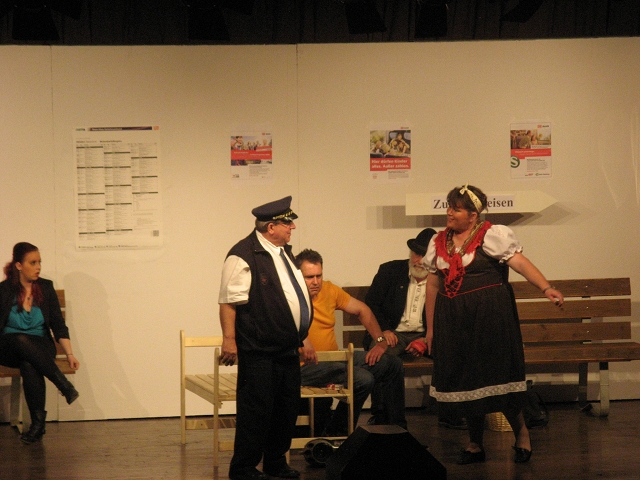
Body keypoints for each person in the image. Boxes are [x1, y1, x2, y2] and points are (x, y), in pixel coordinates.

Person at [410, 184, 564, 465]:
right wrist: (431, 330)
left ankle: (521, 434)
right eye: (449, 207)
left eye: (457, 209)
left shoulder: (492, 235)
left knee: (497, 379)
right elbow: (432, 286)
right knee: (467, 383)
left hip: (489, 318)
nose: (449, 212)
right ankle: (475, 443)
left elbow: (520, 263)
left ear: (473, 215)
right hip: (453, 319)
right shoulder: (438, 243)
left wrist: (546, 287)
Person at [218, 196, 312, 480]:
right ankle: (244, 467)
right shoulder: (243, 254)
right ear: (271, 227)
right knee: (256, 411)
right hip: (259, 350)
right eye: (287, 223)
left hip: (286, 348)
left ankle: (275, 462)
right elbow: (228, 301)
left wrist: (301, 335)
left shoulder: (283, 252)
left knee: (285, 409)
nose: (292, 227)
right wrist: (229, 340)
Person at [364, 228, 467, 430]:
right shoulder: (390, 271)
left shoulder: (445, 278)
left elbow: (451, 315)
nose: (419, 260)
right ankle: (385, 416)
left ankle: (449, 413)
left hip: (428, 333)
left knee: (452, 353)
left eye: (424, 256)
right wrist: (384, 331)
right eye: (416, 254)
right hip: (393, 333)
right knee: (383, 357)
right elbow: (372, 304)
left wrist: (428, 338)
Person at [295, 249, 406, 434]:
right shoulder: (290, 296)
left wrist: (380, 341)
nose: (315, 282)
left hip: (334, 360)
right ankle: (338, 432)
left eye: (318, 276)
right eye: (309, 277)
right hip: (305, 366)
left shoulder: (329, 289)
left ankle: (396, 431)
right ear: (298, 276)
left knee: (391, 364)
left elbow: (362, 310)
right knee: (362, 379)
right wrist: (302, 339)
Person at [0, 242, 80, 444]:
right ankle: (62, 384)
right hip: (9, 346)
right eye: (33, 263)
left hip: (40, 344)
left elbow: (58, 325)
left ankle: (37, 425)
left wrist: (69, 354)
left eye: (39, 262)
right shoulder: (4, 289)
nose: (38, 267)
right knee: (20, 339)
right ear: (19, 265)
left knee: (30, 363)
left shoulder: (45, 287)